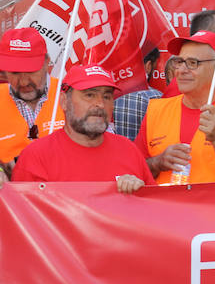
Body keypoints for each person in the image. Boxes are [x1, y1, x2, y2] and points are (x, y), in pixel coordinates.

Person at [137, 31, 215, 184]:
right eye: (179, 62)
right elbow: (133, 171)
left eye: (192, 63)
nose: (181, 70)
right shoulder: (155, 110)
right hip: (163, 206)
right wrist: (158, 162)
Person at [12, 64, 154, 192]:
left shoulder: (129, 151)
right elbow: (21, 217)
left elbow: (155, 212)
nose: (100, 104)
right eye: (89, 95)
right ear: (64, 101)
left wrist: (140, 194)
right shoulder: (35, 157)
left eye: (106, 96)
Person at [0, 27, 65, 177]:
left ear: (46, 62)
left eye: (30, 71)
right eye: (14, 73)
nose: (23, 82)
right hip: (11, 198)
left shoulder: (71, 94)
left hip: (66, 196)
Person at [113, 48, 163, 141]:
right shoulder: (156, 98)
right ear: (148, 66)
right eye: (154, 67)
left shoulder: (106, 95)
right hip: (143, 155)